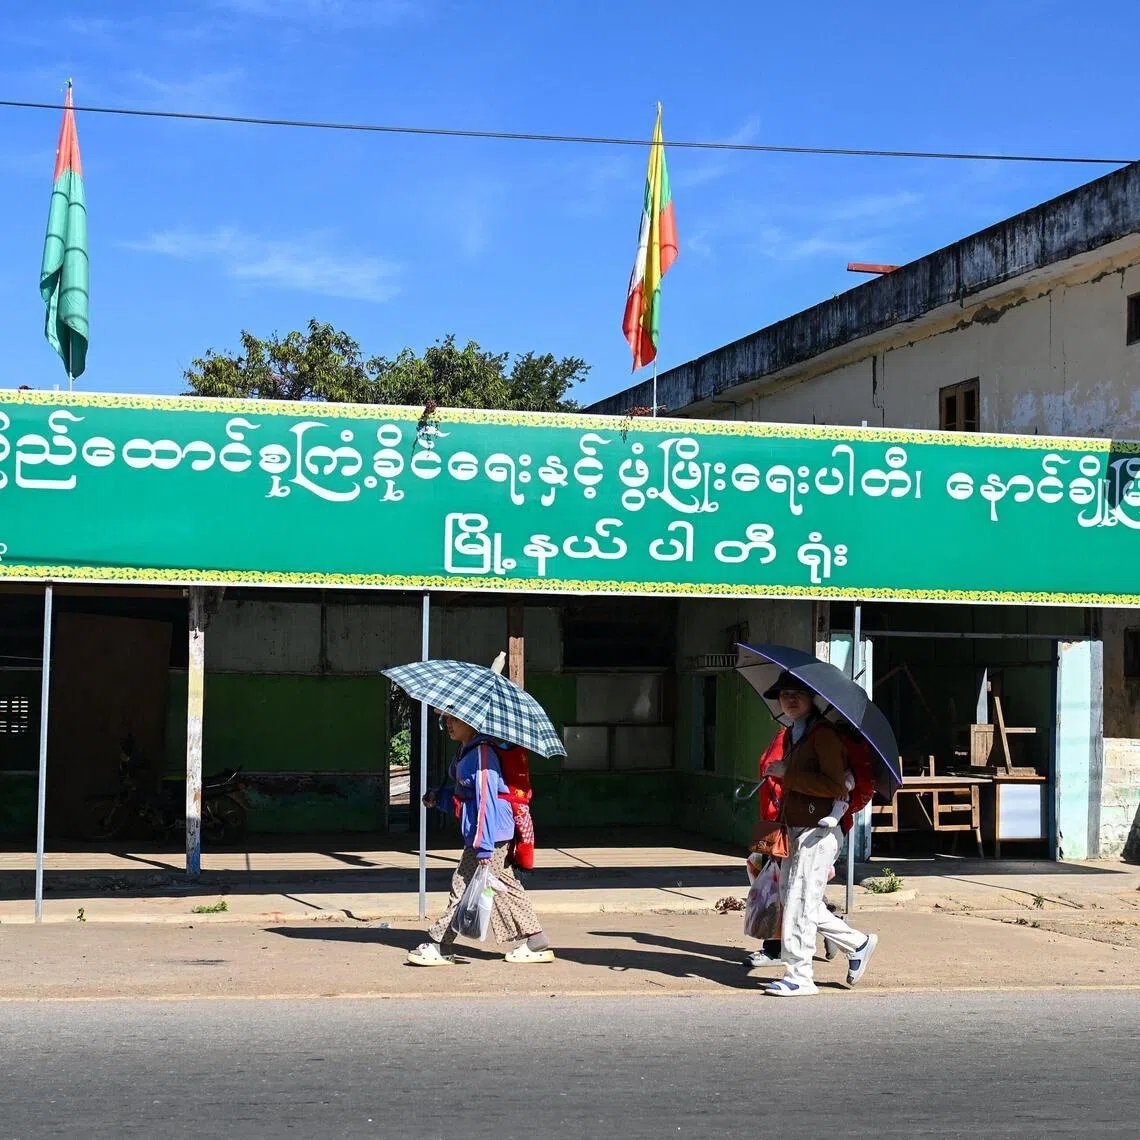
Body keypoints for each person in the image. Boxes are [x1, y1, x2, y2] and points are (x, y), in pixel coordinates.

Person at [759, 673, 879, 996]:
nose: (790, 700)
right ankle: (859, 943)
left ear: (813, 698)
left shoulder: (823, 736)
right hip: (795, 829)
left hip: (819, 831)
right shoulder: (793, 736)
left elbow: (835, 786)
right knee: (795, 899)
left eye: (798, 693)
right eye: (784, 694)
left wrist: (789, 774)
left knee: (799, 901)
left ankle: (800, 975)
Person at [407, 712, 555, 967]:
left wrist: (484, 848)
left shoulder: (482, 754)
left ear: (472, 722)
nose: (448, 724)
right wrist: (438, 797)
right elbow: (465, 797)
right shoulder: (467, 750)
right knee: (505, 886)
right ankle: (536, 942)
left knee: (463, 884)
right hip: (488, 834)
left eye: (454, 719)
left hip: (490, 835)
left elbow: (486, 802)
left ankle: (442, 944)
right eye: (446, 720)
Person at [744, 723, 840, 970]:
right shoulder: (786, 734)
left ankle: (777, 950)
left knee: (779, 888)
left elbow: (785, 780)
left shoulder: (809, 737)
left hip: (787, 823)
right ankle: (829, 922)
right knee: (771, 881)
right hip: (773, 822)